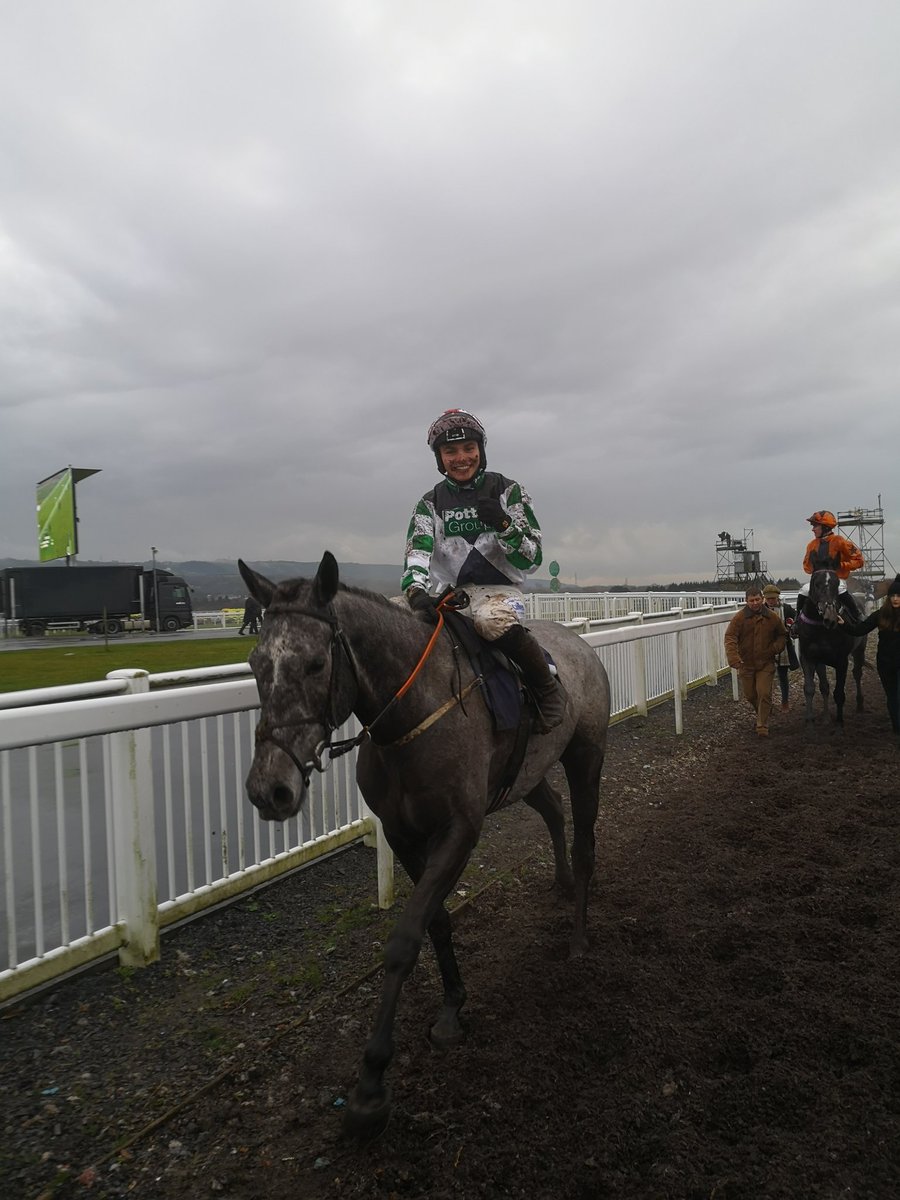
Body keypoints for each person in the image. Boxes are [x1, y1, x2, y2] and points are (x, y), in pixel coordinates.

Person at [401, 408, 566, 732]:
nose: (461, 458)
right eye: (450, 451)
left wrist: (505, 525)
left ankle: (547, 689)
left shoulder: (509, 491)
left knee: (491, 624)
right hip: (449, 595)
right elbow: (417, 551)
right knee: (388, 616)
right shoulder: (429, 503)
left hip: (500, 594)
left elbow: (532, 559)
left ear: (481, 450)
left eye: (468, 449)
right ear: (440, 457)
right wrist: (416, 590)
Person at [839, 574, 900, 737]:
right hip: (886, 663)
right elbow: (860, 630)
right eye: (893, 596)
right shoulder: (880, 615)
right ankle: (896, 727)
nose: (895, 599)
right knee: (892, 697)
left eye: (898, 596)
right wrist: (844, 624)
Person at [723, 583, 787, 737]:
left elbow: (782, 634)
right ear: (746, 601)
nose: (755, 603)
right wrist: (733, 658)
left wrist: (775, 648)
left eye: (757, 599)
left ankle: (762, 726)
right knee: (750, 695)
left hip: (766, 662)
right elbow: (730, 637)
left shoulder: (772, 617)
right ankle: (764, 710)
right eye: (751, 600)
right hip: (746, 664)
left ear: (762, 598)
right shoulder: (739, 618)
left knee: (764, 692)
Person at [797, 510, 864, 624]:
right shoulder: (811, 545)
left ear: (826, 527)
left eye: (815, 526)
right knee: (803, 590)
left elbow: (859, 561)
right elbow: (807, 567)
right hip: (819, 581)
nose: (813, 529)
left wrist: (841, 565)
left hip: (837, 579)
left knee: (840, 589)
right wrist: (819, 569)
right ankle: (797, 620)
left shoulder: (840, 541)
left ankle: (857, 616)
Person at [763, 583, 798, 712]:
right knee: (767, 678)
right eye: (768, 599)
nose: (771, 601)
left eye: (773, 598)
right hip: (766, 648)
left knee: (783, 676)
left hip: (783, 647)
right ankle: (768, 704)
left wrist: (791, 629)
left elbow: (795, 622)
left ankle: (785, 701)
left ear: (778, 597)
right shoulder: (761, 611)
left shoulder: (787, 609)